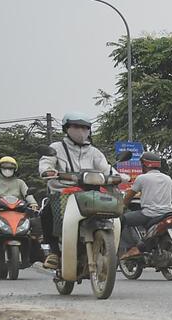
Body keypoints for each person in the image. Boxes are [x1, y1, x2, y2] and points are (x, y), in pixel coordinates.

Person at [38, 111, 117, 270]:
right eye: (76, 126)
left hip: (91, 193)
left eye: (84, 127)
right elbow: (47, 162)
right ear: (66, 128)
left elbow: (106, 168)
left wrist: (118, 175)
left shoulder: (94, 152)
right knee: (46, 213)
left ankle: (110, 251)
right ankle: (54, 252)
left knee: (115, 212)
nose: (81, 131)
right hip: (63, 193)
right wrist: (47, 170)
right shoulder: (56, 148)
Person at [122, 151, 172, 258]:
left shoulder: (142, 178)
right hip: (168, 213)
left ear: (144, 165)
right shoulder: (168, 179)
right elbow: (171, 195)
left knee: (122, 220)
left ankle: (133, 247)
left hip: (149, 214)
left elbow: (129, 196)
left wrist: (123, 206)